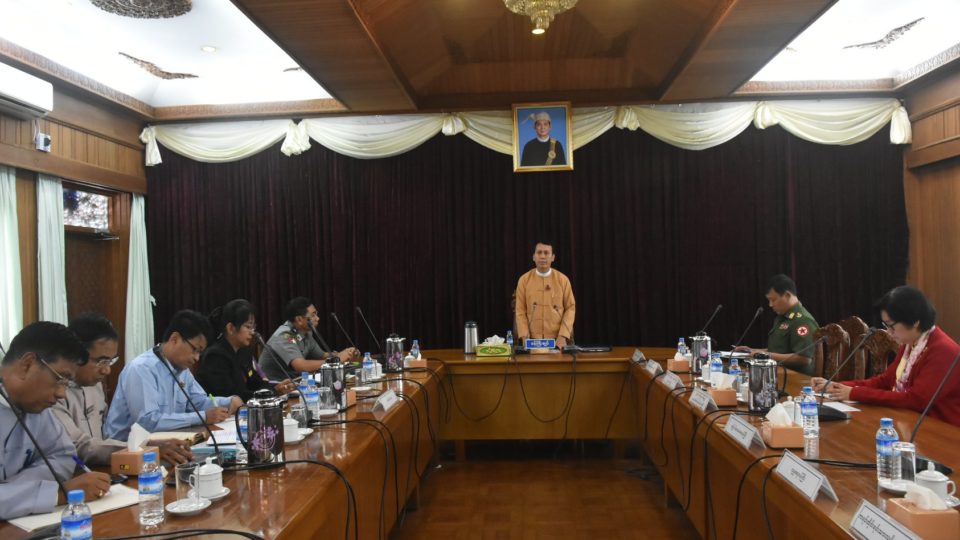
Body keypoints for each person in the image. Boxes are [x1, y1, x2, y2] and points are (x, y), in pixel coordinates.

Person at [0, 322, 111, 520]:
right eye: (61, 379)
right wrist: (52, 494)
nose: (62, 393)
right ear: (27, 364)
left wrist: (15, 491)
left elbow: (64, 455)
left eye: (67, 384)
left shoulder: (37, 407)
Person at [52, 313, 193, 466]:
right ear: (77, 354)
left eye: (110, 361)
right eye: (101, 361)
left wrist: (150, 443)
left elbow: (103, 437)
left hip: (107, 467)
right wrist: (144, 448)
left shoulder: (95, 386)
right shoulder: (53, 393)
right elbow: (80, 446)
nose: (107, 370)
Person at [813, 286, 960, 426]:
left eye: (891, 326)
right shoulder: (910, 344)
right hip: (910, 420)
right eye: (886, 325)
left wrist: (855, 393)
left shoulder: (943, 350)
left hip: (942, 429)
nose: (889, 332)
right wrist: (838, 386)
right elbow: (885, 381)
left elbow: (916, 400)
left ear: (915, 321)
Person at [105, 310, 243, 440]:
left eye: (200, 353)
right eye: (195, 350)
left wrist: (228, 401)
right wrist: (203, 417)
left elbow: (198, 402)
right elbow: (147, 422)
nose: (197, 358)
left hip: (166, 444)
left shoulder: (183, 371)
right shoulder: (141, 369)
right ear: (175, 339)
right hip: (125, 453)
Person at [197, 299, 296, 401]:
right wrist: (272, 393)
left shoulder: (244, 351)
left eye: (253, 327)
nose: (252, 332)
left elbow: (255, 382)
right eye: (248, 327)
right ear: (231, 328)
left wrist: (274, 389)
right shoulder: (215, 356)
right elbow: (230, 395)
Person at [258, 297, 359, 381]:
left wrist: (345, 354)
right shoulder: (284, 336)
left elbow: (323, 356)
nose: (317, 318)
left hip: (294, 384)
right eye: (313, 315)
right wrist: (337, 360)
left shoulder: (306, 332)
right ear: (299, 319)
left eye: (316, 314)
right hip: (276, 387)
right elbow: (301, 366)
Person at [736, 274, 820, 375]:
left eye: (773, 300)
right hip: (778, 374)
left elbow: (804, 358)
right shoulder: (782, 318)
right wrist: (753, 351)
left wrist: (766, 355)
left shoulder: (802, 320)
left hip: (798, 379)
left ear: (787, 295)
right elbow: (779, 350)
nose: (770, 305)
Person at [515, 241, 576, 349]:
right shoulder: (524, 280)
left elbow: (570, 308)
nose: (542, 256)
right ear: (534, 257)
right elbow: (520, 311)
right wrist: (525, 337)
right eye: (539, 252)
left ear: (553, 257)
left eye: (546, 253)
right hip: (532, 341)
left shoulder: (563, 280)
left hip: (558, 341)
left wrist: (562, 336)